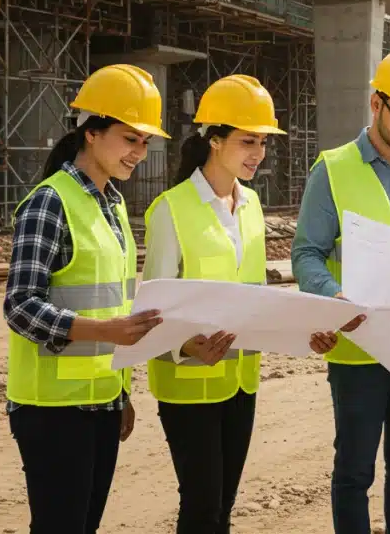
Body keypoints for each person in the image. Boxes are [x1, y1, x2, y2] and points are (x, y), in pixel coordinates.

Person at [291, 46, 390, 534]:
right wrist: (334, 297)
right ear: (375, 104)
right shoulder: (333, 170)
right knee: (354, 474)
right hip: (358, 352)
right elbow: (306, 254)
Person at [3, 63, 169, 534]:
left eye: (145, 142)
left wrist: (120, 394)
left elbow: (113, 305)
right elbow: (20, 305)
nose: (139, 152)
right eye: (129, 138)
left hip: (100, 403)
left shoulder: (113, 204)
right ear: (91, 133)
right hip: (52, 410)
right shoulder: (49, 202)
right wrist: (104, 333)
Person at [141, 74, 286, 534]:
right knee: (201, 507)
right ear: (215, 140)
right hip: (187, 384)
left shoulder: (253, 205)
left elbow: (255, 293)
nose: (258, 153)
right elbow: (152, 310)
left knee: (222, 506)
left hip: (241, 379)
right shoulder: (171, 209)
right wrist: (186, 348)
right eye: (248, 141)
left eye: (262, 142)